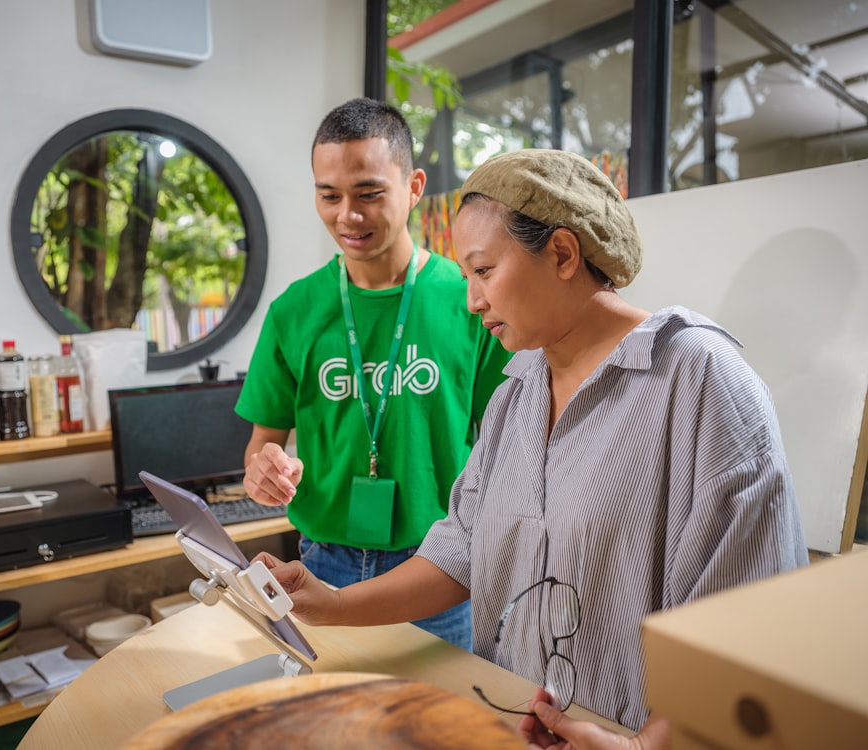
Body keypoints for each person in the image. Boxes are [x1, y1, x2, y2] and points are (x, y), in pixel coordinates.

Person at [252, 148, 809, 746]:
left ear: (563, 254)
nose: (471, 300)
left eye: (484, 271)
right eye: (466, 277)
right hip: (518, 722)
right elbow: (461, 550)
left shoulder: (699, 377)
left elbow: (744, 620)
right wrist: (329, 603)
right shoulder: (517, 394)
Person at [234, 97, 512, 650]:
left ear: (413, 187)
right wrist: (262, 470)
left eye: (368, 193)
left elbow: (506, 445)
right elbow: (260, 445)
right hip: (319, 563)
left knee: (441, 726)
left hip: (439, 567)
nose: (348, 216)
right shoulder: (294, 310)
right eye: (329, 195)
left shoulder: (471, 300)